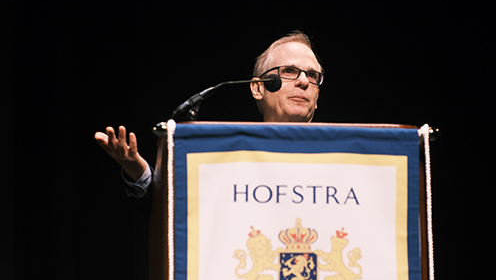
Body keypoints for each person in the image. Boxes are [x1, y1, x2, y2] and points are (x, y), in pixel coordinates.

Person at [94, 31, 324, 198]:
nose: (304, 81)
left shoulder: (342, 156)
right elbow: (178, 213)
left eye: (312, 75)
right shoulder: (227, 158)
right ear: (258, 88)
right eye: (289, 71)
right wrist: (137, 170)